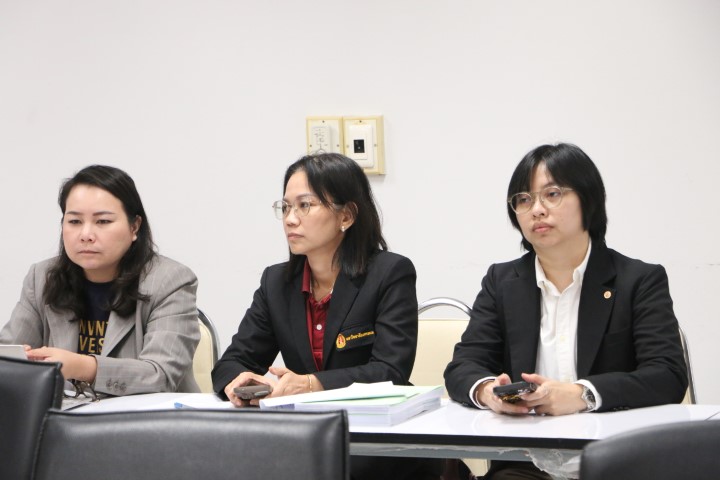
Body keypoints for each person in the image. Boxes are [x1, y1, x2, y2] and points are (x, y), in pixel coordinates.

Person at [444, 143, 688, 479]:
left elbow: (667, 375)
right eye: (524, 199)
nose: (536, 210)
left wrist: (581, 394)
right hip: (525, 465)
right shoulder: (502, 282)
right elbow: (463, 367)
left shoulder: (638, 280)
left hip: (617, 462)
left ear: (589, 200)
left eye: (552, 194)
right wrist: (489, 392)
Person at [212, 152, 440, 480]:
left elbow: (390, 370)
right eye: (285, 207)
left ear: (346, 215)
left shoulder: (389, 273)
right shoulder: (277, 283)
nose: (290, 219)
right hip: (307, 439)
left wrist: (311, 384)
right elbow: (231, 363)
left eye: (305, 205)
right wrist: (244, 382)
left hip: (377, 442)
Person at [0, 165, 200, 396]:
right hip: (63, 415)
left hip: (147, 416)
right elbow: (8, 353)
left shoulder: (170, 281)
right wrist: (17, 361)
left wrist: (84, 367)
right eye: (74, 221)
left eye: (103, 221)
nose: (86, 235)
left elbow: (161, 376)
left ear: (134, 226)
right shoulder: (42, 277)